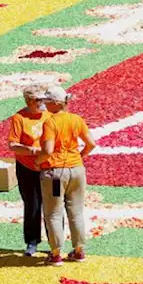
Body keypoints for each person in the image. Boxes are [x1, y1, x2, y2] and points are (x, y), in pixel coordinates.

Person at [38, 85, 95, 266]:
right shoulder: (76, 119)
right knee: (76, 212)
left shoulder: (50, 122)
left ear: (56, 103)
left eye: (47, 102)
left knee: (54, 214)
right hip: (77, 170)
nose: (45, 106)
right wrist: (79, 156)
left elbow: (47, 150)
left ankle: (55, 254)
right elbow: (91, 144)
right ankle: (79, 251)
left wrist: (38, 161)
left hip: (55, 173)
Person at [7, 85, 50, 257]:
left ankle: (56, 242)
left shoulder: (49, 115)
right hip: (27, 167)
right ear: (29, 101)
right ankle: (32, 242)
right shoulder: (19, 118)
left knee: (52, 205)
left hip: (48, 166)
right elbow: (13, 145)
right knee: (32, 205)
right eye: (38, 100)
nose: (42, 103)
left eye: (43, 99)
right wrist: (33, 151)